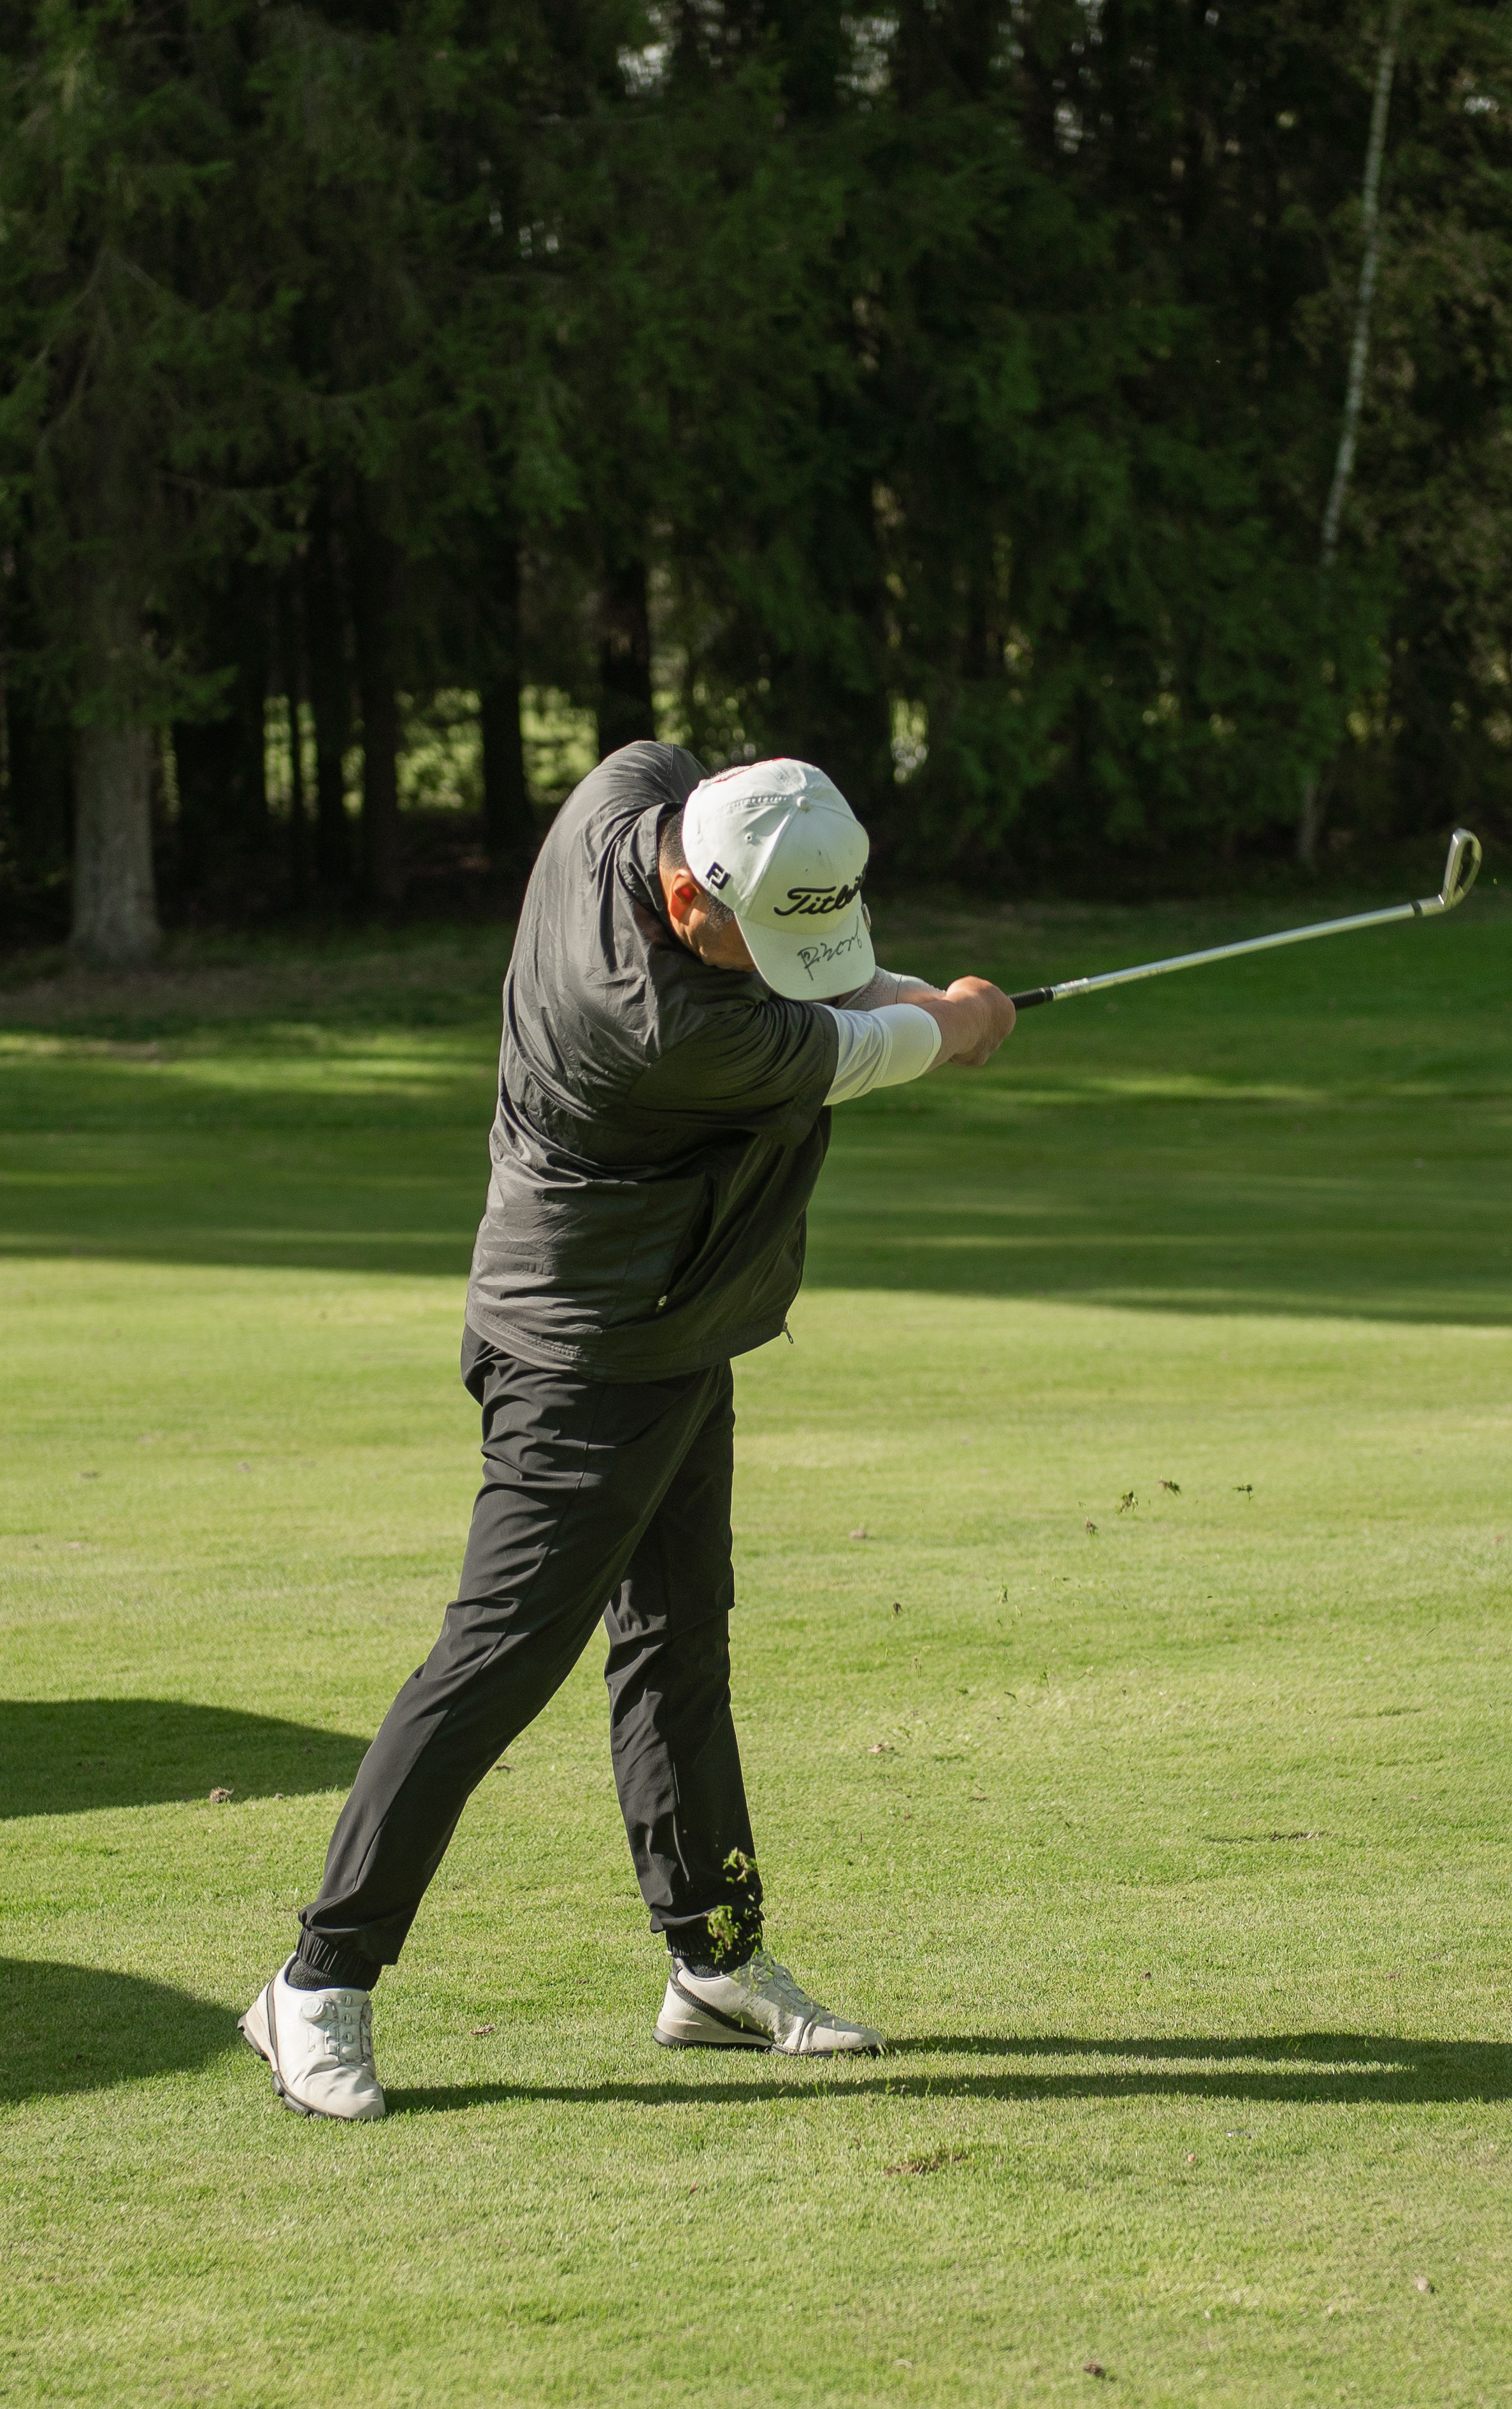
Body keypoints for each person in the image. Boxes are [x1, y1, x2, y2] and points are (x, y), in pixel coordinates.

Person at [240, 744, 1015, 2119]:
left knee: (678, 1641)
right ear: (685, 904)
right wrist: (955, 1015)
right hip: (584, 1350)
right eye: (757, 940)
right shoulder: (679, 1033)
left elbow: (843, 984)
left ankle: (711, 1962)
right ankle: (316, 1981)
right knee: (497, 1658)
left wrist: (918, 995)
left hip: (677, 1328)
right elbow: (874, 1042)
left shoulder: (626, 793)